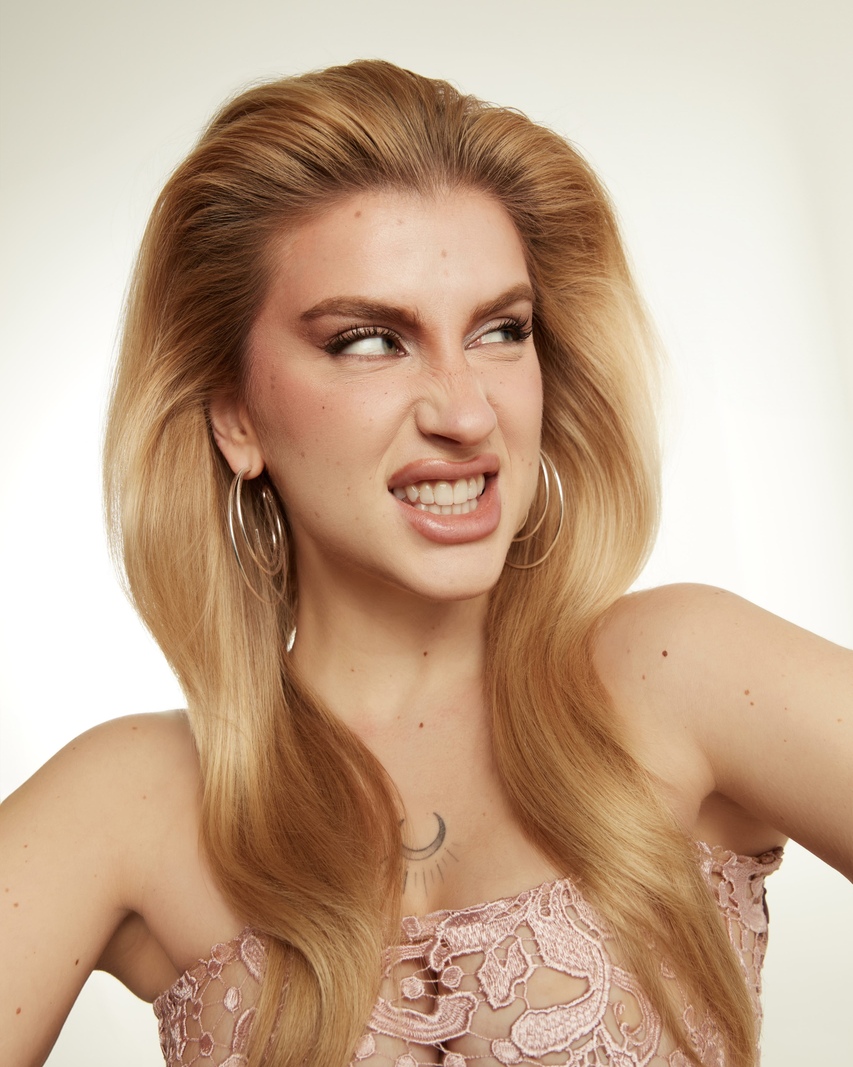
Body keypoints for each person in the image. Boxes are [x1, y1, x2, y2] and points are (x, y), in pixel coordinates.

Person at [1, 59, 850, 1067]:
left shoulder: (676, 673)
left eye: (500, 330)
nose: (465, 412)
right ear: (234, 412)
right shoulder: (134, 803)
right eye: (369, 341)